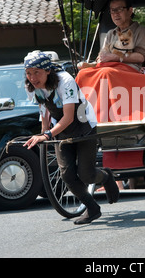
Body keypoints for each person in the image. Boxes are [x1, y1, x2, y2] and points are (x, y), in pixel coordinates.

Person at [23, 51, 119, 224]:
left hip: (83, 125)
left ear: (47, 71)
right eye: (28, 73)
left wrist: (47, 134)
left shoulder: (64, 81)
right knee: (67, 175)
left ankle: (106, 177)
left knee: (87, 175)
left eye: (36, 72)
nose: (32, 77)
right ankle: (92, 209)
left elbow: (69, 117)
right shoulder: (32, 85)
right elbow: (44, 109)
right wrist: (43, 132)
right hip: (61, 130)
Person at [96, 0, 145, 71]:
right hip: (108, 68)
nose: (115, 14)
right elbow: (102, 56)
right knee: (83, 74)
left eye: (119, 9)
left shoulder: (141, 30)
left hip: (129, 71)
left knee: (106, 73)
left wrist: (115, 57)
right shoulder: (110, 33)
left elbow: (140, 57)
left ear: (130, 11)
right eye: (113, 10)